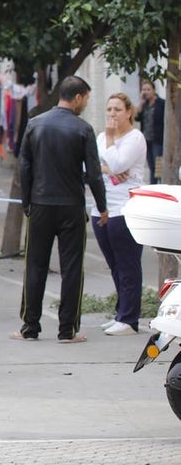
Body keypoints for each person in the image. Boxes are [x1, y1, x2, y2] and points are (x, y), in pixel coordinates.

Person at [14, 75, 108, 343]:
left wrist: (27, 203)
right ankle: (67, 329)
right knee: (72, 268)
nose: (86, 104)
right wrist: (102, 206)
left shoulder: (35, 124)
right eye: (86, 99)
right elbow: (93, 175)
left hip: (41, 204)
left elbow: (25, 167)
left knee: (34, 266)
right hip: (71, 207)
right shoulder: (83, 129)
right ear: (77, 97)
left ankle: (30, 327)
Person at [93, 92, 149, 336]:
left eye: (117, 109)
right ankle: (120, 312)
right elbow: (89, 167)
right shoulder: (100, 137)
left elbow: (117, 164)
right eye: (109, 110)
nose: (112, 114)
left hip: (125, 209)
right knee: (114, 264)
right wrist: (107, 166)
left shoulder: (134, 138)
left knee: (128, 264)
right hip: (101, 207)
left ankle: (129, 318)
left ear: (129, 112)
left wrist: (110, 159)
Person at [137, 80, 165, 184]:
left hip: (158, 139)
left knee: (159, 167)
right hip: (146, 139)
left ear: (154, 90)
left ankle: (160, 185)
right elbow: (136, 118)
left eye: (148, 89)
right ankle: (153, 186)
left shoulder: (161, 103)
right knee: (151, 166)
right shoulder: (144, 104)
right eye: (144, 90)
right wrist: (141, 102)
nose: (146, 92)